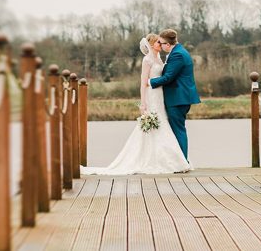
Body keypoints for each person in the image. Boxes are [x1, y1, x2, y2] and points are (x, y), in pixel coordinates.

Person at [80, 33, 191, 175]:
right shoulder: (147, 60)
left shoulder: (159, 58)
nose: (161, 44)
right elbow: (143, 83)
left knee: (164, 124)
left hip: (161, 96)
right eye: (158, 42)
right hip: (152, 95)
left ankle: (169, 159)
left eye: (161, 42)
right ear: (151, 45)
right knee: (156, 125)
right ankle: (158, 160)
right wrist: (143, 103)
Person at [149, 28, 201, 160]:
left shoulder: (177, 55)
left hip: (178, 98)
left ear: (167, 44)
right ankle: (180, 160)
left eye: (161, 43)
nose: (159, 45)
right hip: (179, 98)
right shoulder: (178, 52)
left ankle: (183, 161)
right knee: (177, 129)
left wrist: (149, 82)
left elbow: (168, 77)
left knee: (178, 130)